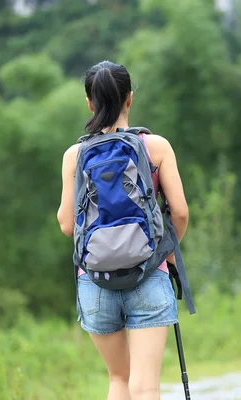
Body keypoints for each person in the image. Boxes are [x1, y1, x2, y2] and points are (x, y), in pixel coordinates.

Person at [56, 60, 189, 400]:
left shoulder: (74, 155)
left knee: (118, 379)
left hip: (95, 281)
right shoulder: (156, 147)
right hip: (149, 273)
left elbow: (67, 225)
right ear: (130, 98)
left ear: (90, 102)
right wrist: (168, 254)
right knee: (145, 386)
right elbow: (181, 213)